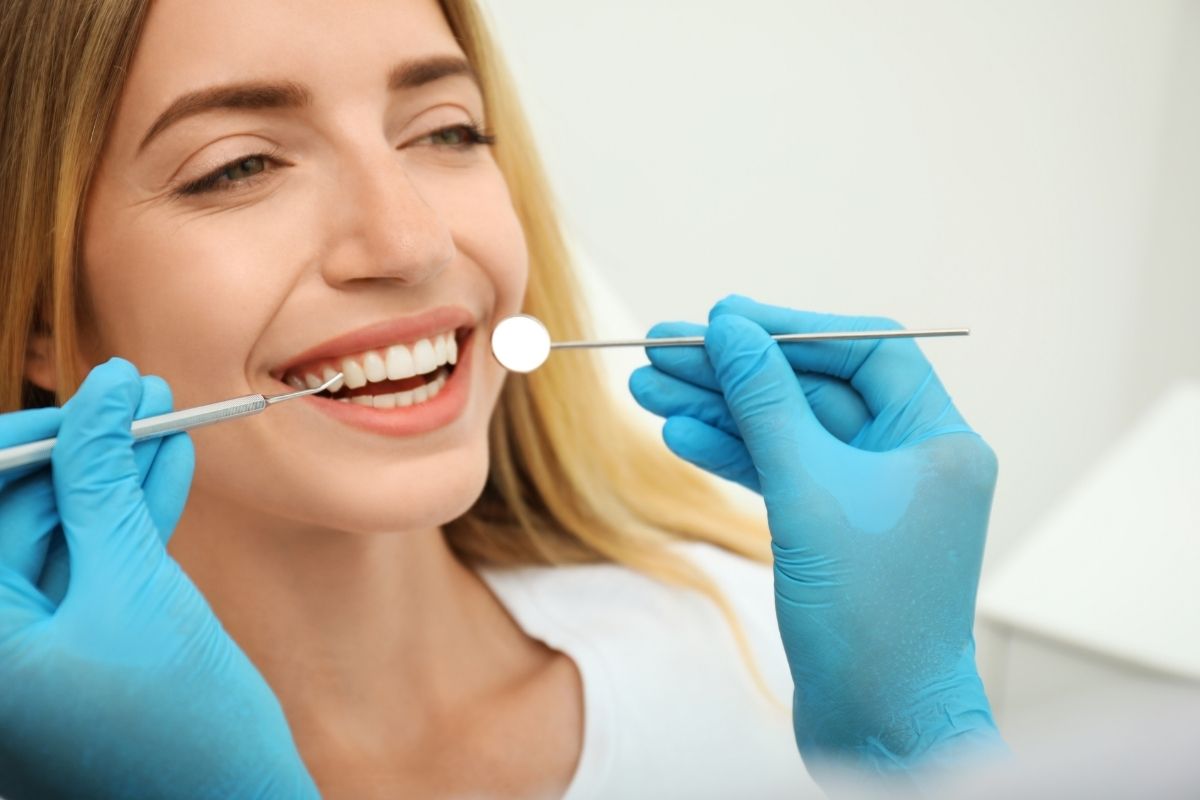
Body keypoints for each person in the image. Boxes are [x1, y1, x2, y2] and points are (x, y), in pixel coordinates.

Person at [0, 1, 1004, 797]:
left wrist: (925, 739)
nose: (410, 242)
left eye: (445, 131)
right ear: (39, 308)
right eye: (241, 165)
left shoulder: (755, 649)